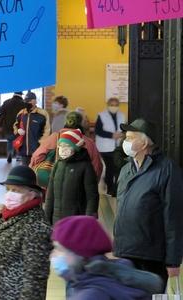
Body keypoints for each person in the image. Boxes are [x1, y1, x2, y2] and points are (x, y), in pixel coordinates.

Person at [114, 118, 183, 290]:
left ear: (144, 142)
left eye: (130, 138)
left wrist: (173, 260)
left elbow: (173, 217)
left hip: (151, 255)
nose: (125, 142)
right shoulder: (125, 170)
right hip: (125, 253)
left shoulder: (167, 170)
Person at [0, 165, 52, 300]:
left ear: (32, 194)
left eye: (16, 190)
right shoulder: (13, 213)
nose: (9, 194)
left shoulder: (35, 227)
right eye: (8, 189)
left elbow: (35, 279)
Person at [51, 216, 164, 299]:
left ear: (80, 253)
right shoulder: (115, 271)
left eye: (59, 249)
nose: (53, 255)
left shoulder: (91, 294)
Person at [44, 129, 99, 224]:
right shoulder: (58, 164)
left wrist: (89, 220)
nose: (62, 149)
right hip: (56, 220)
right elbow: (50, 194)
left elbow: (92, 197)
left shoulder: (85, 166)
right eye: (60, 146)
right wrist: (46, 218)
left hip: (76, 221)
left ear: (76, 147)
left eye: (66, 146)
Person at [30, 111, 103, 181]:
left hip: (53, 181)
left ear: (65, 122)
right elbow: (97, 167)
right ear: (82, 124)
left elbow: (37, 156)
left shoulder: (54, 137)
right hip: (78, 185)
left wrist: (35, 169)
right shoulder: (88, 142)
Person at [95, 97, 125, 197]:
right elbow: (98, 131)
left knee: (117, 167)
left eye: (116, 105)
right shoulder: (102, 115)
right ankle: (110, 188)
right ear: (108, 105)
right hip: (105, 147)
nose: (114, 107)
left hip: (118, 145)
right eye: (112, 105)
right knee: (110, 167)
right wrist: (111, 135)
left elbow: (124, 127)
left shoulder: (122, 115)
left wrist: (122, 134)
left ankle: (115, 188)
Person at [13, 92, 50, 166]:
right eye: (26, 101)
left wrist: (41, 143)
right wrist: (18, 131)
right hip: (23, 149)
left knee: (35, 170)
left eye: (30, 100)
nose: (28, 102)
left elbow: (47, 130)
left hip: (37, 149)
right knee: (25, 171)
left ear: (35, 101)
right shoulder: (21, 113)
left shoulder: (42, 114)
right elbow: (15, 125)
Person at [0, 92, 27, 163]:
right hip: (19, 127)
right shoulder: (23, 104)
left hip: (7, 127)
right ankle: (18, 156)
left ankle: (9, 154)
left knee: (10, 141)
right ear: (21, 95)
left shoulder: (6, 102)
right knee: (19, 141)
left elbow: (0, 110)